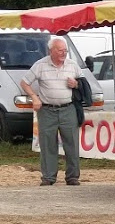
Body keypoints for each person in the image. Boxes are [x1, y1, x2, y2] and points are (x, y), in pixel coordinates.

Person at [20, 36, 83, 186]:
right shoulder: (40, 65)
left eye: (65, 51)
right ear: (51, 51)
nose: (64, 53)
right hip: (47, 110)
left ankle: (73, 177)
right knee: (48, 144)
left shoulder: (73, 65)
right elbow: (24, 82)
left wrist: (76, 84)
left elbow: (84, 85)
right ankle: (48, 177)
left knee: (72, 144)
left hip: (68, 109)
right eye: (60, 50)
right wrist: (35, 98)